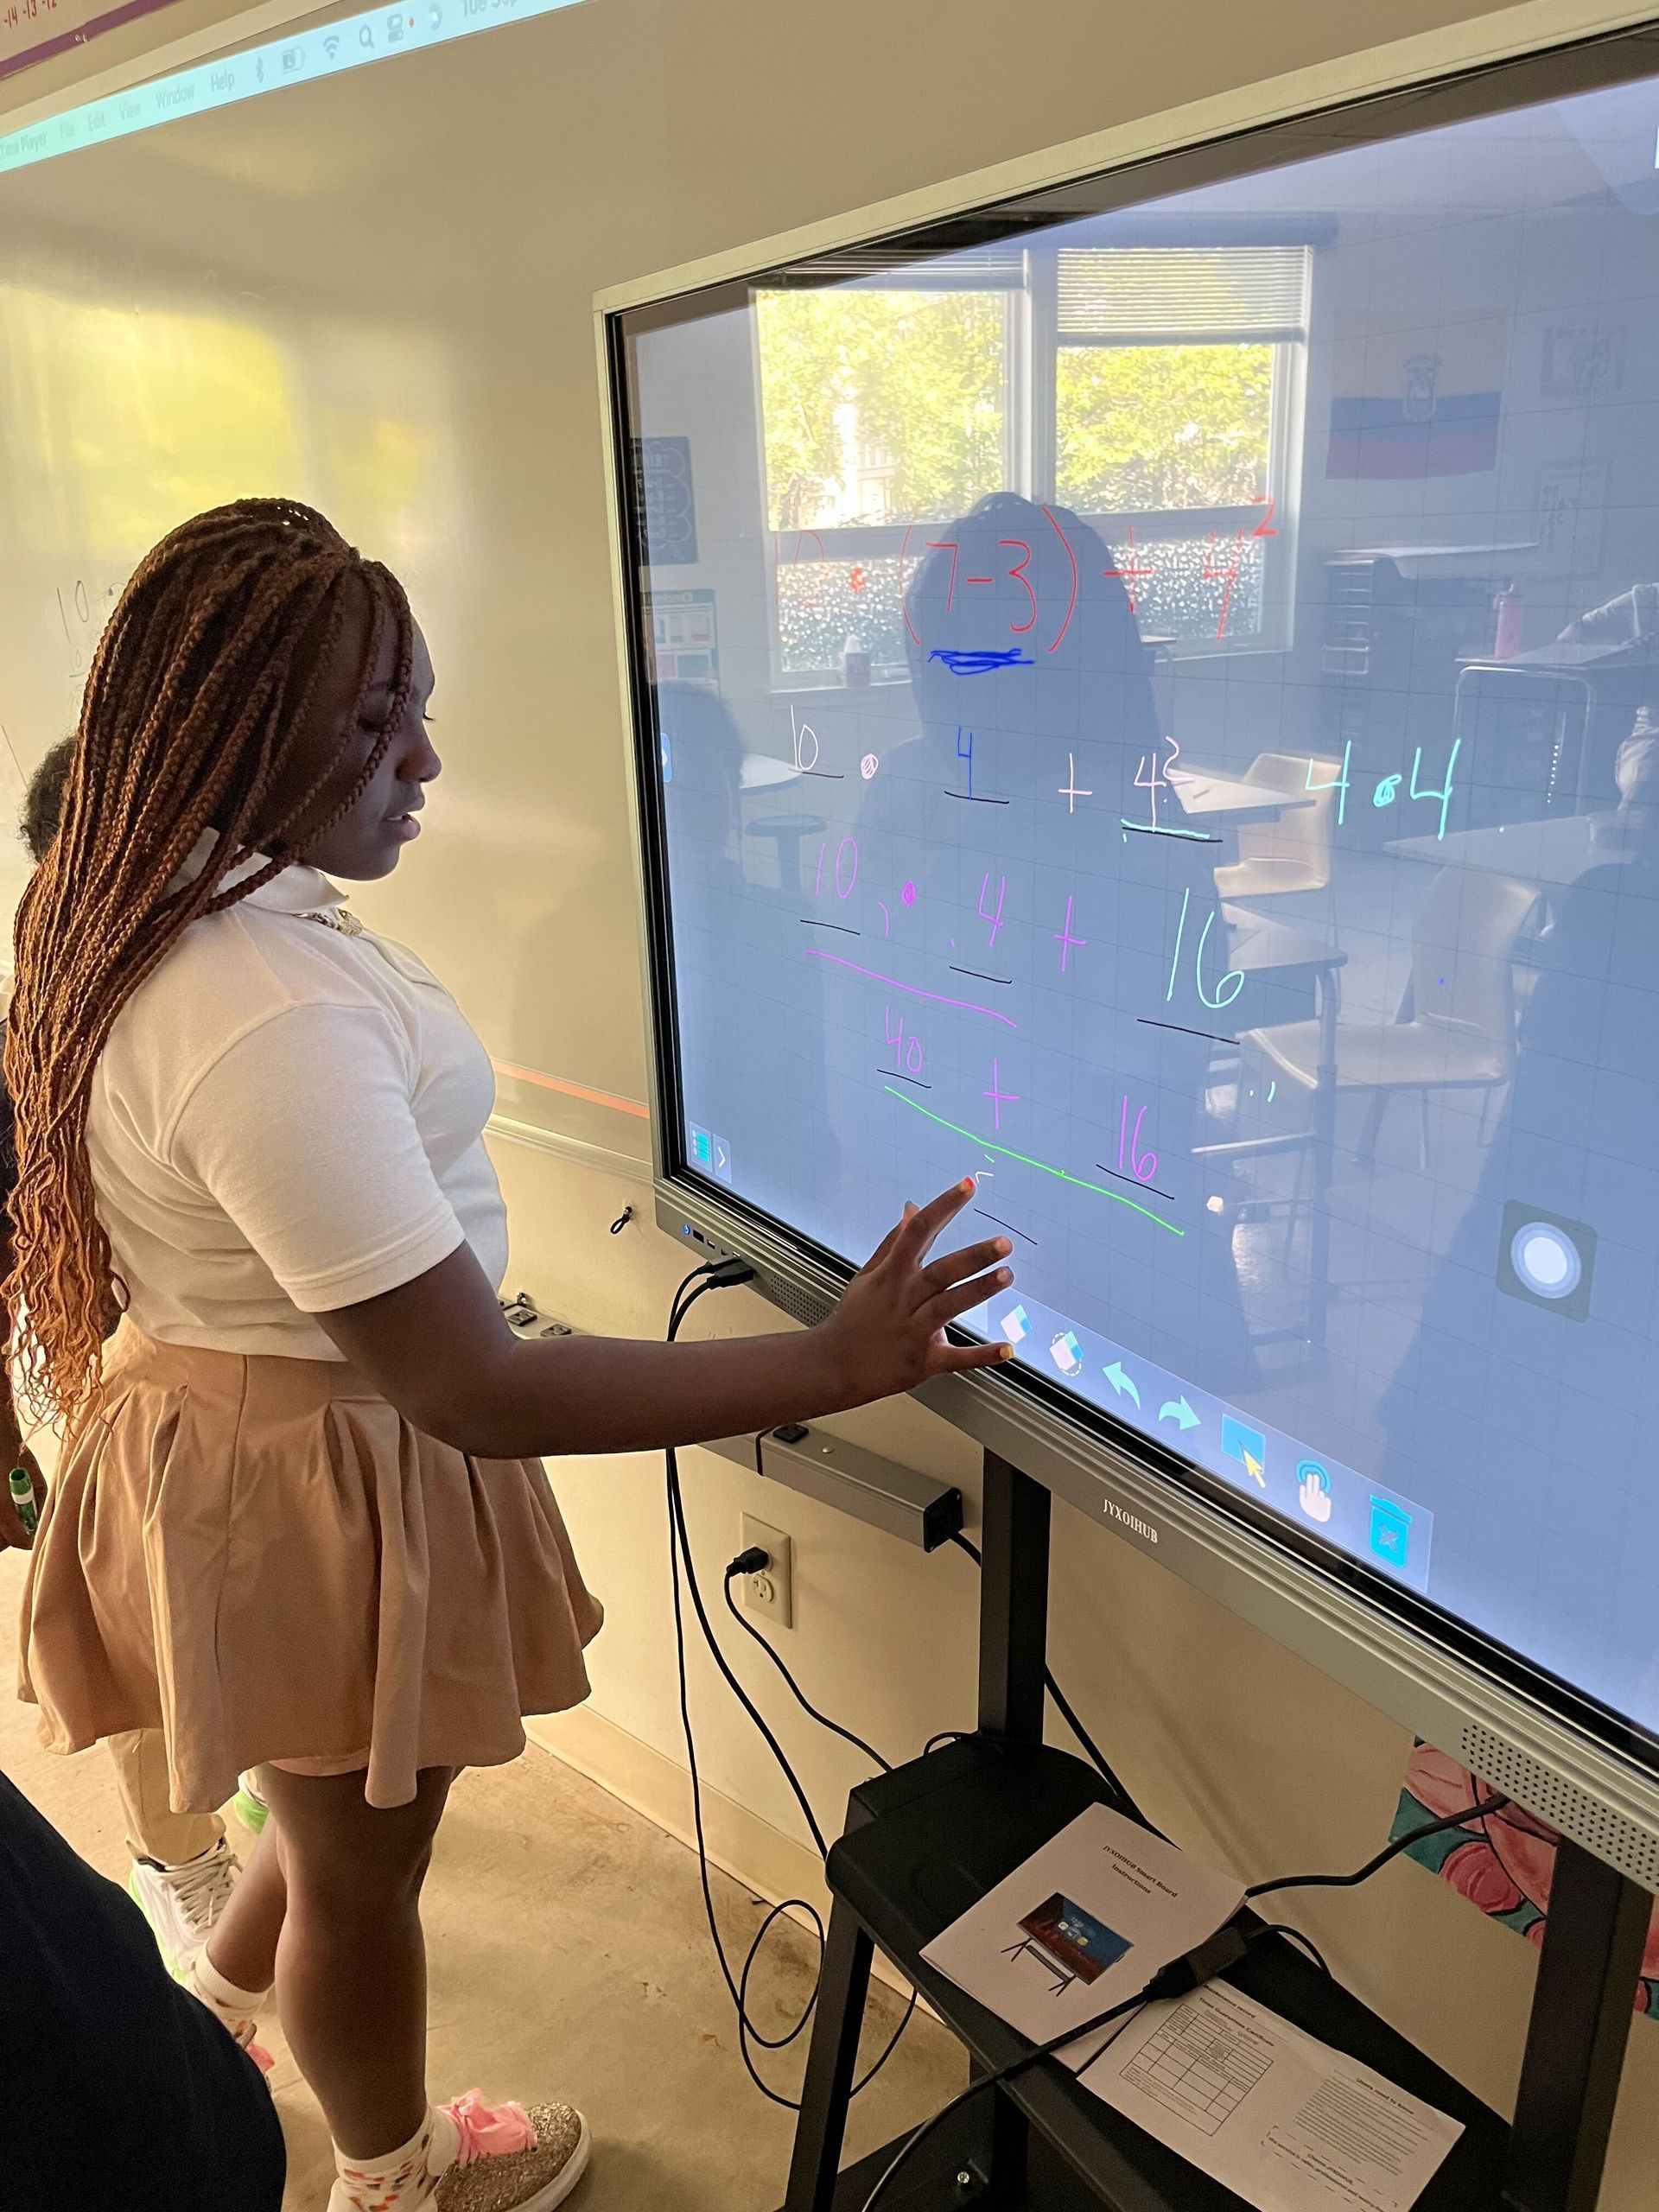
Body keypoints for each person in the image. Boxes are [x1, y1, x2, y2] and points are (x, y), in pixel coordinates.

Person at [7, 499, 1014, 2212]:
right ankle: (393, 2169)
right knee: (362, 1870)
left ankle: (229, 2003)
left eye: (415, 706)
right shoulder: (263, 1010)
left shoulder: (141, 906)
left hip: (242, 1423)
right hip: (313, 1460)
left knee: (326, 1812)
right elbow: (472, 1383)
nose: (426, 757)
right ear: (233, 732)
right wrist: (837, 1363)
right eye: (373, 722)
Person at [3, 735, 264, 1987]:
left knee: (237, 1625)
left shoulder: (236, 985)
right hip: (97, 1373)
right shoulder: (50, 1018)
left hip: (215, 1387)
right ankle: (178, 1866)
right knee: (153, 1643)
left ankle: (242, 1805)